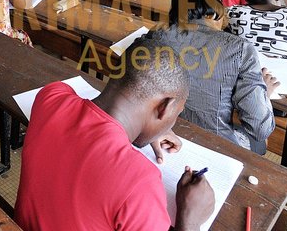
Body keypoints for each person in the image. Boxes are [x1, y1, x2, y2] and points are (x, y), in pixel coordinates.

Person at [15, 36, 215, 231]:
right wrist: (190, 219)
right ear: (164, 107)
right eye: (176, 114)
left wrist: (150, 128)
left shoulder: (51, 96)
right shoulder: (140, 183)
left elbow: (97, 107)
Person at [149, 0, 278, 153]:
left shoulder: (157, 34)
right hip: (215, 146)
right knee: (258, 144)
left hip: (163, 131)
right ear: (217, 5)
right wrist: (265, 93)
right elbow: (260, 128)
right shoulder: (240, 49)